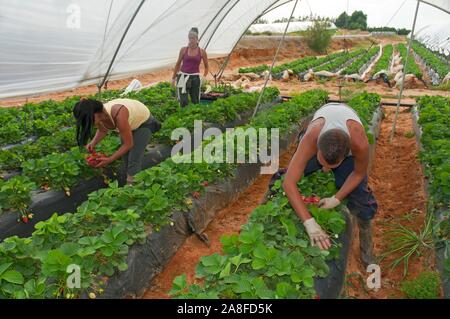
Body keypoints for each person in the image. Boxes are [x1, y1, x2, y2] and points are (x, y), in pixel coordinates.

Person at [280, 102, 378, 267]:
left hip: (346, 133)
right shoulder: (311, 137)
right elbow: (289, 182)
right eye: (323, 162)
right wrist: (309, 222)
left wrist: (337, 198)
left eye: (333, 166)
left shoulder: (359, 142)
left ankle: (366, 251)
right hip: (320, 129)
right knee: (283, 176)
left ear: (346, 155)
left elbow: (359, 173)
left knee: (362, 198)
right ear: (317, 149)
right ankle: (275, 205)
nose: (327, 168)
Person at [73, 98, 159, 184]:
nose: (87, 123)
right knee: (126, 159)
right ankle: (129, 184)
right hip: (129, 123)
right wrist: (93, 143)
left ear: (96, 113)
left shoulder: (119, 116)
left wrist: (110, 159)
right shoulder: (99, 115)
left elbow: (128, 144)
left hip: (143, 123)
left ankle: (134, 189)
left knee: (134, 160)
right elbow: (103, 130)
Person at [172, 27, 209, 107]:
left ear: (197, 39)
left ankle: (197, 120)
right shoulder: (183, 50)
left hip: (195, 78)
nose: (191, 40)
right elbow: (178, 64)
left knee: (195, 102)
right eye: (190, 38)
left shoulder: (202, 52)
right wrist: (173, 78)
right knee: (183, 101)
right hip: (182, 77)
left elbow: (206, 67)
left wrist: (204, 77)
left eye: (193, 38)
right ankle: (183, 118)